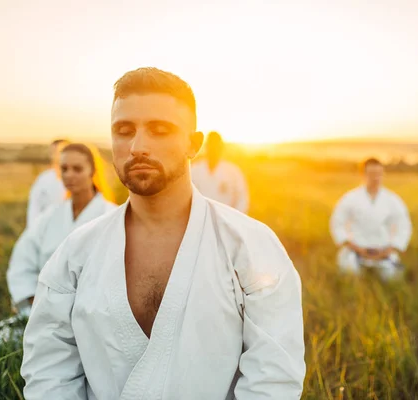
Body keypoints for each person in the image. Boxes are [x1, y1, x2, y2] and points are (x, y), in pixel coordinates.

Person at [21, 67, 305, 399]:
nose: (138, 146)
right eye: (124, 130)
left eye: (160, 130)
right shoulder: (76, 253)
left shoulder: (251, 247)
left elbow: (274, 378)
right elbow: (48, 368)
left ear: (193, 144)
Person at [0, 143, 117, 348]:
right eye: (64, 169)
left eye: (77, 169)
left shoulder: (111, 215)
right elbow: (23, 260)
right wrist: (33, 299)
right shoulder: (49, 217)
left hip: (91, 313)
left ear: (92, 171)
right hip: (43, 306)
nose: (69, 175)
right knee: (3, 344)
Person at [329, 158, 412, 280]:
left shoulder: (392, 200)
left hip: (383, 251)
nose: (376, 178)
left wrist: (389, 249)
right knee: (349, 274)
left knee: (393, 278)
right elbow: (337, 223)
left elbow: (404, 226)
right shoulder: (350, 198)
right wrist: (355, 247)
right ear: (363, 174)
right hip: (356, 250)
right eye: (372, 174)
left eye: (379, 174)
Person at [190, 131, 249, 213]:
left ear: (221, 147)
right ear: (206, 147)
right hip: (200, 218)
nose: (213, 149)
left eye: (216, 146)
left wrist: (234, 219)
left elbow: (242, 199)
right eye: (211, 146)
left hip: (227, 220)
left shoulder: (233, 172)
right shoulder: (194, 170)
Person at [26, 139, 69, 227]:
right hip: (47, 229)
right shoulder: (44, 179)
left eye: (60, 151)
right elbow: (34, 207)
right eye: (53, 151)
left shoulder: (79, 179)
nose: (56, 155)